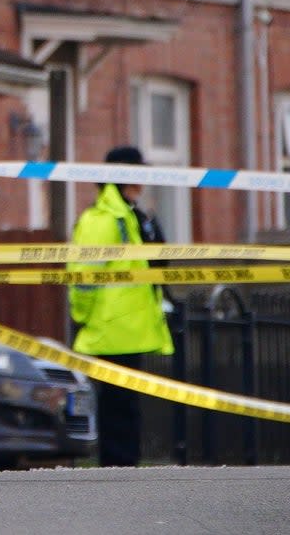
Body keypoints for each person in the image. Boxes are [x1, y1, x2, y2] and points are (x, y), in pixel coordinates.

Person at [68, 144, 174, 467]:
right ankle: (118, 472)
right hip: (112, 328)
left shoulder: (132, 216)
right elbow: (84, 276)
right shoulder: (102, 219)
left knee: (125, 407)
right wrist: (82, 316)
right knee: (117, 407)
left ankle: (125, 470)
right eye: (136, 173)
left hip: (128, 328)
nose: (142, 182)